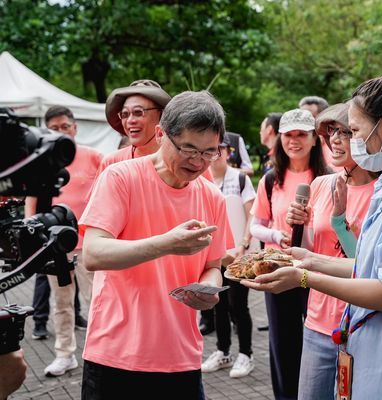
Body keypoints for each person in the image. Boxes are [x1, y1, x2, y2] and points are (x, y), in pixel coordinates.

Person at [245, 53, 382, 399]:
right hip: (377, 349)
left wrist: (304, 278)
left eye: (354, 130)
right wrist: (307, 260)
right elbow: (371, 267)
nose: (350, 141)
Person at [79, 91, 233, 400]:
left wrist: (208, 289)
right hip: (117, 352)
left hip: (180, 355)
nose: (198, 161)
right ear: (162, 134)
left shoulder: (211, 195)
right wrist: (166, 244)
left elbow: (214, 265)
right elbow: (93, 254)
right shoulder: (121, 178)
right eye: (188, 148)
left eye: (209, 152)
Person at [285, 102, 378, 399]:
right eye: (331, 133)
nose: (335, 140)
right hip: (317, 322)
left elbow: (366, 266)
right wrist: (299, 227)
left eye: (346, 132)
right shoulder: (322, 184)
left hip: (362, 323)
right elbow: (313, 252)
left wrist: (341, 224)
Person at [249, 108, 328, 400]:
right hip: (278, 269)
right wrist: (275, 235)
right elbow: (255, 226)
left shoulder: (327, 178)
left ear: (314, 139)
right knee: (282, 343)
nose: (294, 141)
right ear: (280, 138)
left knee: (318, 339)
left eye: (301, 135)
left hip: (317, 270)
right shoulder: (271, 179)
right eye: (288, 135)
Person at [26, 106, 102, 376]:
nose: (61, 132)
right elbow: (31, 200)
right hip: (52, 246)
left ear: (74, 127)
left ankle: (99, 353)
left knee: (96, 300)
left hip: (87, 244)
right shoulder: (41, 161)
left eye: (65, 126)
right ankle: (65, 354)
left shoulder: (94, 157)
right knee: (61, 302)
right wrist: (31, 234)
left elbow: (108, 193)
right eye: (54, 128)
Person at [202, 135, 257, 378]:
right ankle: (223, 351)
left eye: (220, 149)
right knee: (218, 305)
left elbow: (252, 214)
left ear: (228, 151)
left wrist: (244, 246)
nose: (216, 154)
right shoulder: (202, 180)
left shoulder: (240, 178)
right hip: (215, 256)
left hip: (239, 256)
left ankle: (246, 354)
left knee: (239, 306)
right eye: (212, 150)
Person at [299, 96, 338, 169]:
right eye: (300, 117)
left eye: (309, 117)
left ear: (325, 119)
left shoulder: (336, 147)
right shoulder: (293, 147)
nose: (303, 121)